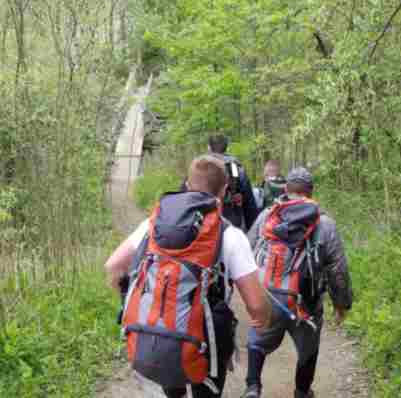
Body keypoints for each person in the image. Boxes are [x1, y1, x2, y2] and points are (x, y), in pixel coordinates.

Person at [105, 154, 272, 398]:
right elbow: (256, 305)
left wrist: (128, 297)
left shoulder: (153, 224)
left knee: (174, 386)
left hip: (159, 330)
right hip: (207, 339)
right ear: (224, 190)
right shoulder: (230, 234)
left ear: (187, 184)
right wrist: (263, 318)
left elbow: (113, 266)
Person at [242, 167, 353, 398]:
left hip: (269, 294)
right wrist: (341, 304)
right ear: (311, 192)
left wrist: (250, 293)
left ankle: (252, 387)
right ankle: (302, 392)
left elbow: (247, 250)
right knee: (308, 347)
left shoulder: (268, 215)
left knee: (258, 339)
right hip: (305, 301)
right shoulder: (325, 224)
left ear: (286, 189)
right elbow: (337, 270)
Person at [207, 134, 259, 231]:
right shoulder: (234, 166)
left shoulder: (200, 166)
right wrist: (253, 228)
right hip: (232, 222)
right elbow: (249, 201)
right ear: (227, 148)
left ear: (209, 147)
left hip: (205, 223)